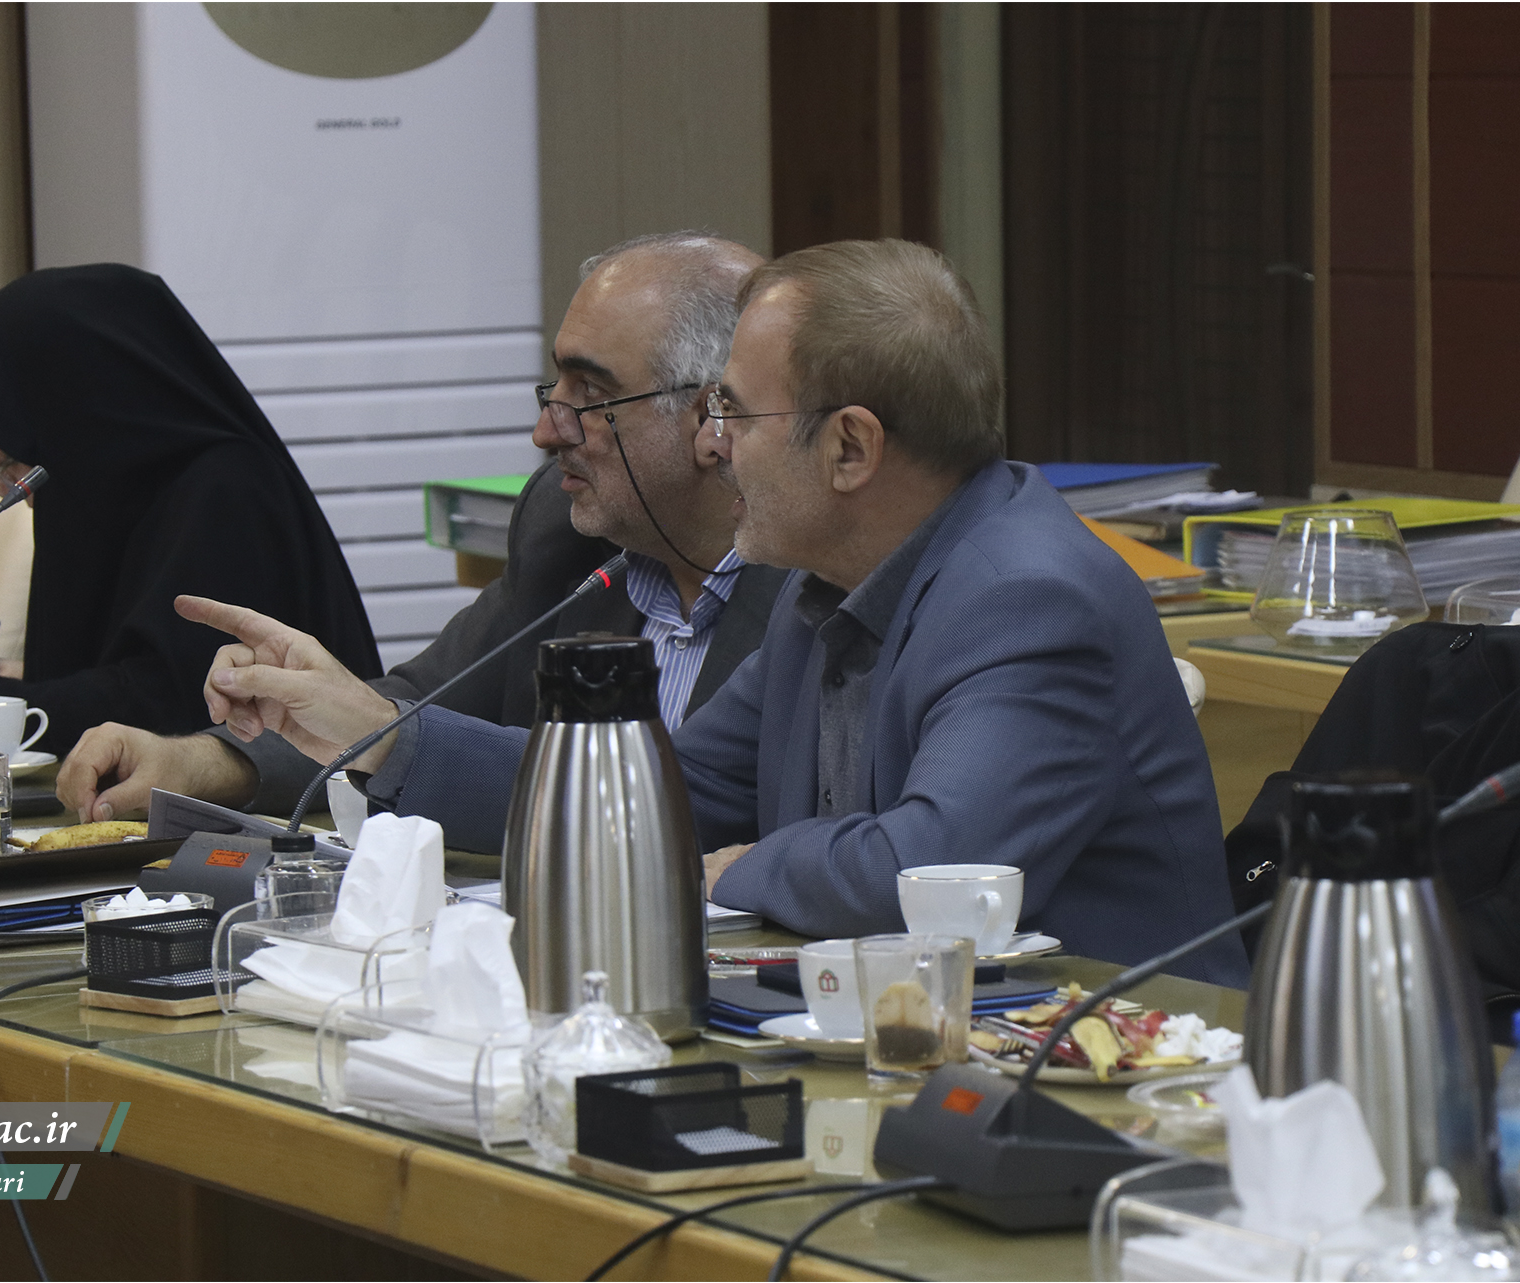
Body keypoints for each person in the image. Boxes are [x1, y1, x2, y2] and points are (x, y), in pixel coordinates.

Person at [180, 239, 1248, 982]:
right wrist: (383, 735)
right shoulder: (828, 581)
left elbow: (934, 872)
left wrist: (746, 864)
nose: (714, 441)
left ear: (850, 446)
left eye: (734, 409)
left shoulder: (1026, 596)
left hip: (1118, 1085)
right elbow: (662, 791)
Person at [57, 233, 788, 819]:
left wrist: (379, 729)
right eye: (553, 389)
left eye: (590, 394)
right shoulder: (570, 541)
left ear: (712, 419)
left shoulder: (810, 583)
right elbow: (426, 697)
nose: (544, 431)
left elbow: (686, 802)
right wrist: (199, 763)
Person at [0, 263, 381, 757]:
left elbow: (166, 714)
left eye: (5, 457)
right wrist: (22, 684)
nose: (6, 489)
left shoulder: (228, 493)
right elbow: (127, 673)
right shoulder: (125, 496)